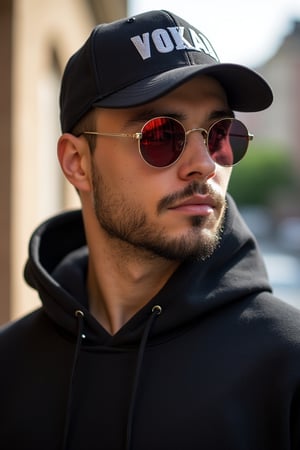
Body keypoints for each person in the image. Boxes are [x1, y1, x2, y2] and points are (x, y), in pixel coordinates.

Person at [0, 9, 299, 450]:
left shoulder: (287, 366)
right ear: (77, 163)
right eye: (161, 136)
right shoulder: (10, 366)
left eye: (220, 134)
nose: (204, 164)